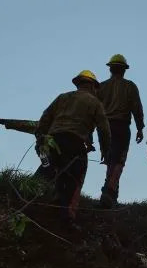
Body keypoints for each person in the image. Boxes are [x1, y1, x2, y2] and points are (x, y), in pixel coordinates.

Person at [35, 70, 110, 225]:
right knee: (72, 179)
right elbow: (104, 129)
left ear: (79, 84)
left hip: (53, 140)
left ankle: (25, 197)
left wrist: (40, 137)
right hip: (75, 143)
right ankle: (65, 217)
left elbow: (45, 116)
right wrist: (105, 150)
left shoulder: (62, 97)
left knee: (46, 169)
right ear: (92, 86)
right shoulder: (94, 102)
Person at [97, 54, 144, 208]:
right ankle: (109, 190)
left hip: (104, 127)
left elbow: (94, 109)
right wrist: (140, 127)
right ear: (124, 70)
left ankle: (111, 195)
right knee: (118, 161)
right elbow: (137, 108)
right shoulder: (130, 86)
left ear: (110, 69)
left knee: (110, 159)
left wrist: (89, 132)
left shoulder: (101, 87)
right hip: (121, 127)